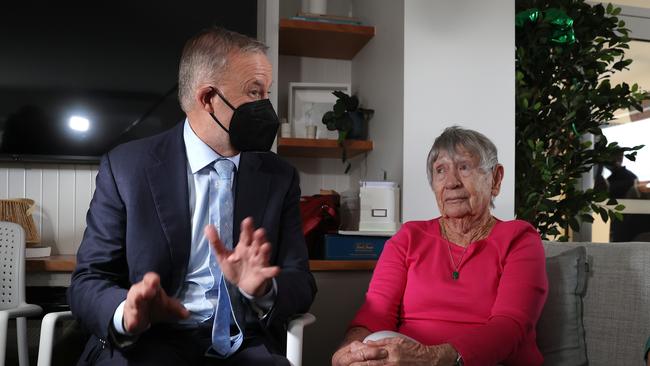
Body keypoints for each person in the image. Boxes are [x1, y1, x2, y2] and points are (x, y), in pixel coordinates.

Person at [67, 26, 316, 366]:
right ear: (207, 98)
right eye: (255, 93)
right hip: (150, 341)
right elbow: (88, 281)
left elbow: (300, 281)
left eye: (266, 93)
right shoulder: (127, 168)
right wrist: (127, 312)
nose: (267, 107)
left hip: (244, 344)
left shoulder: (279, 176)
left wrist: (262, 290)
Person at [332, 126, 548, 366]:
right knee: (373, 346)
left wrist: (432, 359)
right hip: (405, 363)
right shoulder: (409, 237)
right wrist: (349, 352)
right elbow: (376, 314)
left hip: (487, 362)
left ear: (495, 179)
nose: (451, 182)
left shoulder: (519, 239)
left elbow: (510, 327)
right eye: (440, 170)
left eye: (464, 167)